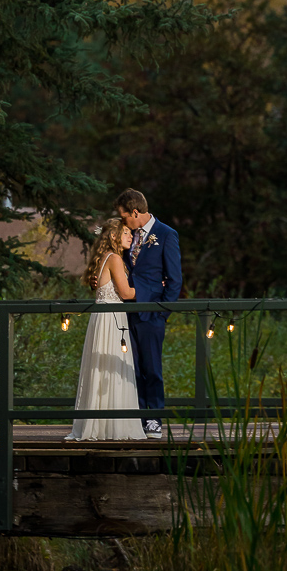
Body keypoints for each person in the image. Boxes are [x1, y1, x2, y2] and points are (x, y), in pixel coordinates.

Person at [65, 217, 145, 441]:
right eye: (126, 232)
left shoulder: (104, 258)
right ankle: (113, 426)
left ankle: (100, 424)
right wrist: (154, 289)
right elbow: (127, 294)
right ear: (113, 236)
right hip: (112, 319)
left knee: (102, 368)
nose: (131, 236)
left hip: (102, 318)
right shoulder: (115, 259)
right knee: (112, 367)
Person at [115, 188, 182, 439]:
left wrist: (161, 314)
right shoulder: (125, 234)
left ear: (135, 212)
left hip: (152, 315)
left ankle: (154, 418)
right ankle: (137, 417)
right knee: (131, 368)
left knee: (152, 368)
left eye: (124, 217)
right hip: (126, 314)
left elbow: (174, 280)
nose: (123, 222)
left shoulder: (166, 235)